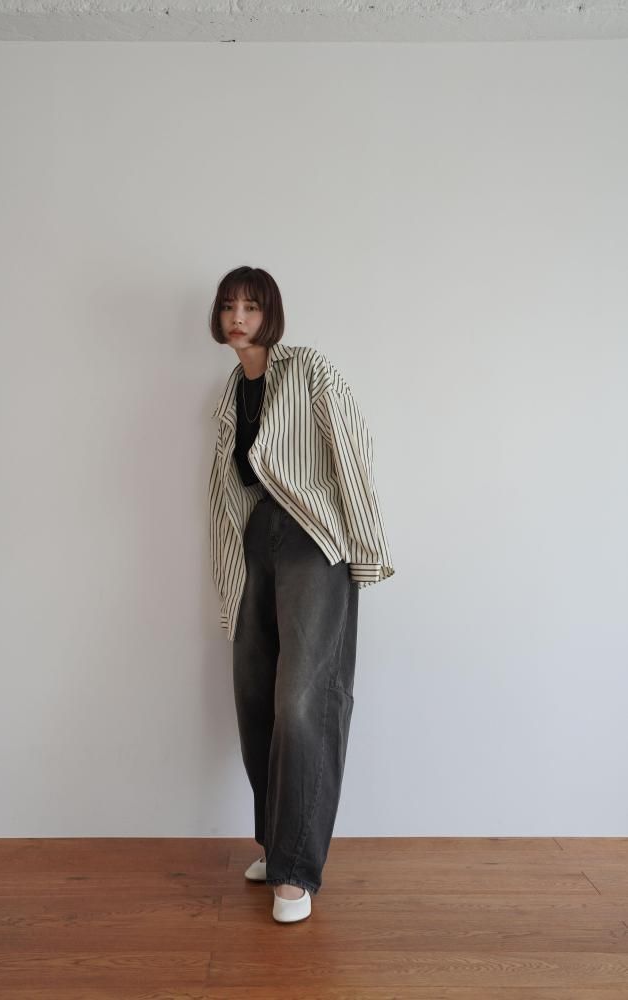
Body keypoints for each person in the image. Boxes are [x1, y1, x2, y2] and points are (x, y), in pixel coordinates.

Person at [207, 265, 395, 923]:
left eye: (251, 307)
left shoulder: (308, 369)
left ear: (272, 315)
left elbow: (352, 450)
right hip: (255, 542)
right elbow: (230, 490)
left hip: (313, 538)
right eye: (228, 306)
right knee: (255, 696)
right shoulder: (231, 391)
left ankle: (297, 870)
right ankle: (275, 846)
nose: (238, 318)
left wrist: (365, 547)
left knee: (304, 700)